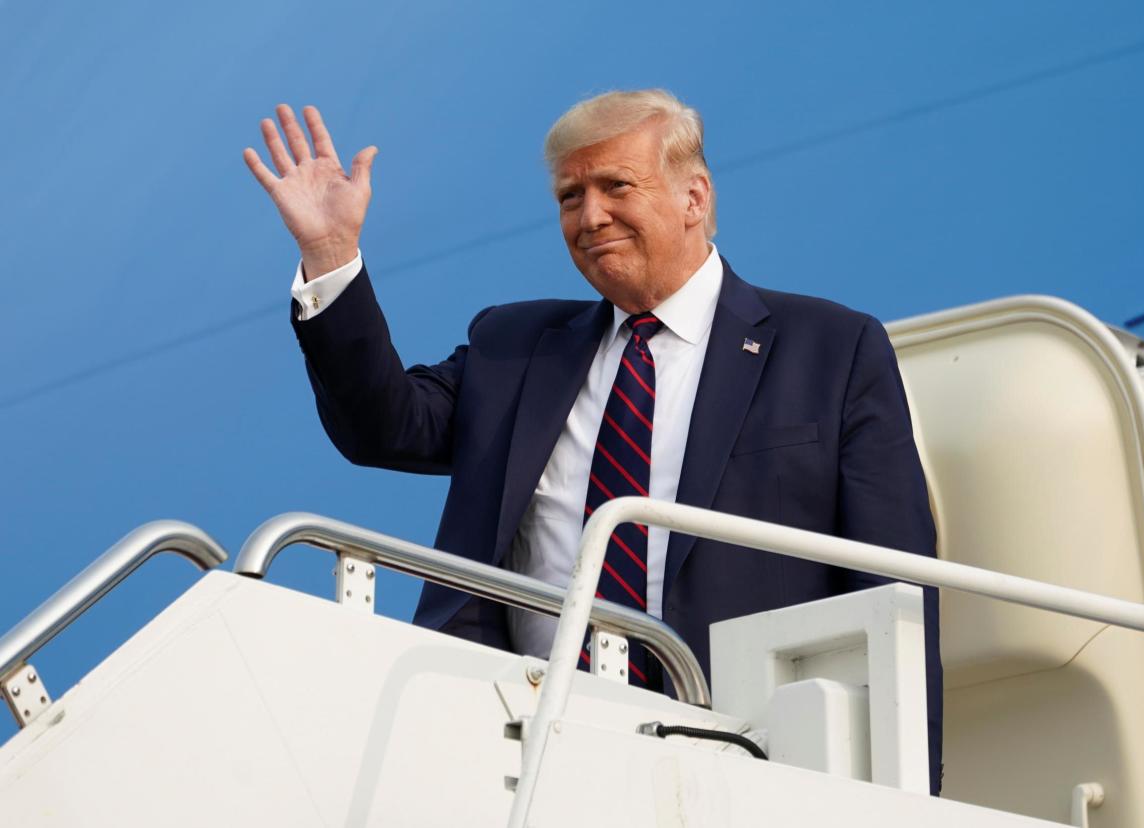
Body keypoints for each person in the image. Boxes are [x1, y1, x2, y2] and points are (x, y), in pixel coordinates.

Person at [244, 89, 943, 793]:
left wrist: (912, 793)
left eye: (616, 187)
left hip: (738, 757)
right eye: (570, 196)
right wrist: (331, 253)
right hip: (517, 750)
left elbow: (897, 588)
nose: (590, 216)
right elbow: (384, 427)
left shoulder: (830, 350)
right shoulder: (515, 347)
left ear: (693, 197)